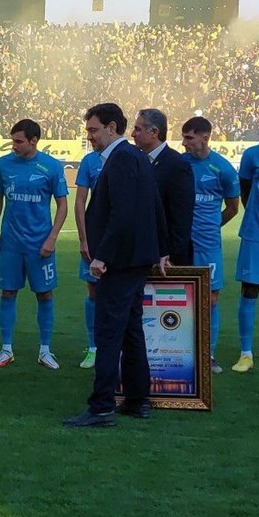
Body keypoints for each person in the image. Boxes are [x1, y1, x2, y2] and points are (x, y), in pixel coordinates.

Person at [64, 103, 167, 428]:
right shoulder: (136, 157)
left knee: (108, 333)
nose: (90, 137)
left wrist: (101, 256)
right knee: (132, 331)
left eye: (94, 130)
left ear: (111, 127)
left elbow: (121, 213)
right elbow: (153, 206)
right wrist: (160, 248)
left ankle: (102, 407)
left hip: (120, 263)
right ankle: (138, 400)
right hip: (135, 259)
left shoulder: (121, 158)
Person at [0, 119, 68, 370]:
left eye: (19, 141)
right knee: (8, 292)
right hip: (11, 243)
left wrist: (52, 238)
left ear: (34, 141)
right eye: (12, 140)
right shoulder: (4, 164)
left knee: (44, 294)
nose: (14, 145)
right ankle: (6, 349)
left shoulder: (52, 166)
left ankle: (45, 350)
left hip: (40, 244)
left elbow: (63, 205)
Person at [181, 116, 239, 374]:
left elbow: (233, 208)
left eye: (189, 138)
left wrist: (212, 226)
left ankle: (209, 353)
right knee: (180, 296)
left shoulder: (223, 169)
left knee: (211, 299)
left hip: (208, 243)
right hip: (181, 242)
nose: (184, 143)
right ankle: (180, 349)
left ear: (205, 137)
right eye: (183, 137)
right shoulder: (181, 164)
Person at [131, 108, 194, 266]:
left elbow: (181, 217)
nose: (133, 134)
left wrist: (171, 254)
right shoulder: (135, 160)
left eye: (138, 129)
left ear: (154, 132)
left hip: (165, 259)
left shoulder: (177, 164)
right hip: (139, 253)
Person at [232, 140, 259, 372]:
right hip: (256, 234)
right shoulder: (253, 155)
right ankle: (246, 354)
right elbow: (245, 192)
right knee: (250, 289)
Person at [74, 146, 104, 369]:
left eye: (94, 130)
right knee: (93, 292)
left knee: (122, 294)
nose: (90, 137)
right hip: (94, 238)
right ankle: (93, 348)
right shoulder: (89, 161)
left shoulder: (128, 156)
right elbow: (80, 201)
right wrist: (84, 239)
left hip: (120, 239)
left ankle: (120, 346)